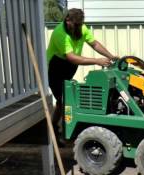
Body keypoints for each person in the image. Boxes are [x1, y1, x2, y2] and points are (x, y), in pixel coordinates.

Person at [46, 8, 117, 143]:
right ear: (68, 21)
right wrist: (97, 61)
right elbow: (72, 57)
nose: (79, 27)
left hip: (69, 66)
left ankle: (57, 128)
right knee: (64, 102)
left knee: (65, 101)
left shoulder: (81, 28)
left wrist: (111, 56)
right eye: (76, 24)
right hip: (56, 67)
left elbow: (94, 44)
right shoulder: (60, 33)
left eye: (80, 24)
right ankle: (59, 133)